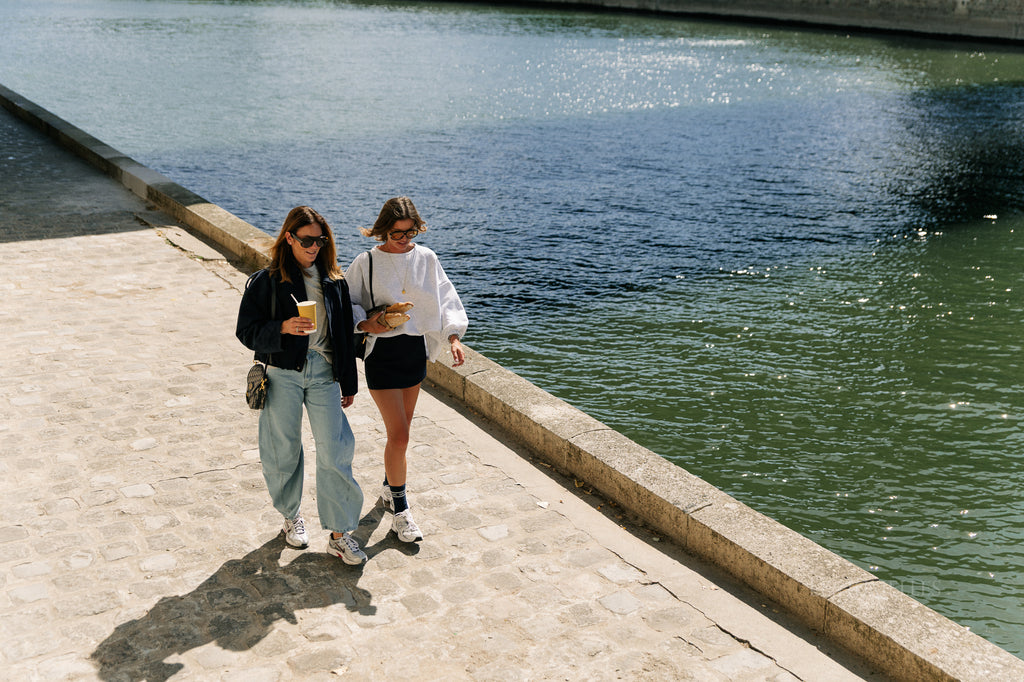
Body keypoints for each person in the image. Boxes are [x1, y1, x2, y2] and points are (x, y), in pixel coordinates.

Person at [236, 206, 367, 565]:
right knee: (283, 449)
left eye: (320, 240)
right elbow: (245, 331)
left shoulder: (335, 282)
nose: (314, 247)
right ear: (289, 238)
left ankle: (340, 534)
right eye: (307, 240)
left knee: (337, 448)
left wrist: (349, 382)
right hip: (283, 373)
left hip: (325, 372)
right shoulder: (267, 281)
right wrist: (282, 328)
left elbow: (342, 337)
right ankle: (290, 516)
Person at [346, 196, 468, 542]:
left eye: (410, 232)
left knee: (403, 434)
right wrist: (367, 324)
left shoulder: (426, 258)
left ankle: (389, 487)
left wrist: (454, 336)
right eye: (397, 233)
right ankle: (401, 511)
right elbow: (347, 301)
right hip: (381, 354)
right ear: (383, 229)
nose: (403, 239)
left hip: (414, 351)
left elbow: (445, 297)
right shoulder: (366, 262)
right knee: (399, 436)